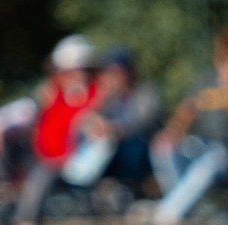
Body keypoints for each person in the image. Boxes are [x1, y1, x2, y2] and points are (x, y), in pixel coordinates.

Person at [151, 29, 228, 225]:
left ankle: (169, 212)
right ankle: (187, 207)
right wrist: (172, 133)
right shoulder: (206, 82)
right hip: (202, 143)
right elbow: (186, 110)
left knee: (210, 161)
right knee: (163, 148)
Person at [17, 36, 102, 224]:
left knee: (42, 178)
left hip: (76, 162)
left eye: (82, 70)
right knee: (37, 179)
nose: (77, 76)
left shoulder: (96, 94)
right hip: (50, 160)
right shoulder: (53, 94)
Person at [61, 50, 159, 202]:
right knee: (92, 142)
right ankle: (78, 187)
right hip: (113, 146)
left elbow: (144, 121)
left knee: (131, 147)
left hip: (140, 145)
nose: (115, 76)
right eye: (111, 72)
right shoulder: (110, 97)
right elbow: (88, 119)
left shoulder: (144, 92)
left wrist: (115, 128)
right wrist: (95, 124)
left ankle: (131, 188)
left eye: (119, 71)